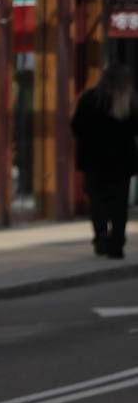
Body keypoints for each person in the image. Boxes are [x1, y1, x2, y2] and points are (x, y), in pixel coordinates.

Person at [71, 63, 138, 259]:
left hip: (94, 160)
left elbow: (76, 126)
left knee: (98, 202)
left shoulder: (90, 99)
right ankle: (116, 244)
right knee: (119, 205)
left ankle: (100, 237)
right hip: (121, 163)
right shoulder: (130, 101)